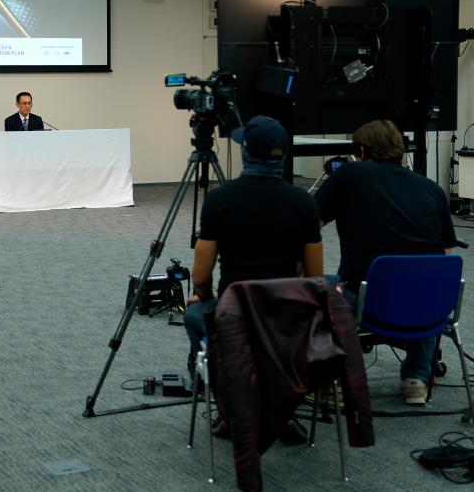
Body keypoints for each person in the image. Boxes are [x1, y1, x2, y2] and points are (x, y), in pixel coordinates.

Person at [314, 119, 458, 404]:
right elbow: (448, 255)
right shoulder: (432, 188)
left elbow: (307, 228)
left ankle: (336, 384)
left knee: (314, 286)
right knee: (419, 280)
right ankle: (417, 378)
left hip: (369, 301)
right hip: (431, 306)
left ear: (363, 150)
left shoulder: (349, 175)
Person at [185, 115, 323, 360]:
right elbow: (314, 277)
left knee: (194, 313)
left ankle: (224, 372)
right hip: (285, 312)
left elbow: (200, 276)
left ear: (245, 152)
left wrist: (204, 296)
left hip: (235, 312)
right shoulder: (304, 202)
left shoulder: (220, 200)